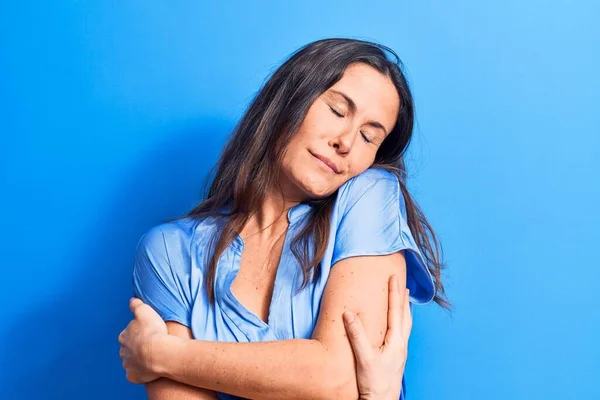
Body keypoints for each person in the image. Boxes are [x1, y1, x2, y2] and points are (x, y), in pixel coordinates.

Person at [118, 37, 449, 400]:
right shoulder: (169, 251)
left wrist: (162, 355)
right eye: (337, 111)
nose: (347, 143)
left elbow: (334, 380)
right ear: (288, 99)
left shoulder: (369, 195)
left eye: (369, 137)